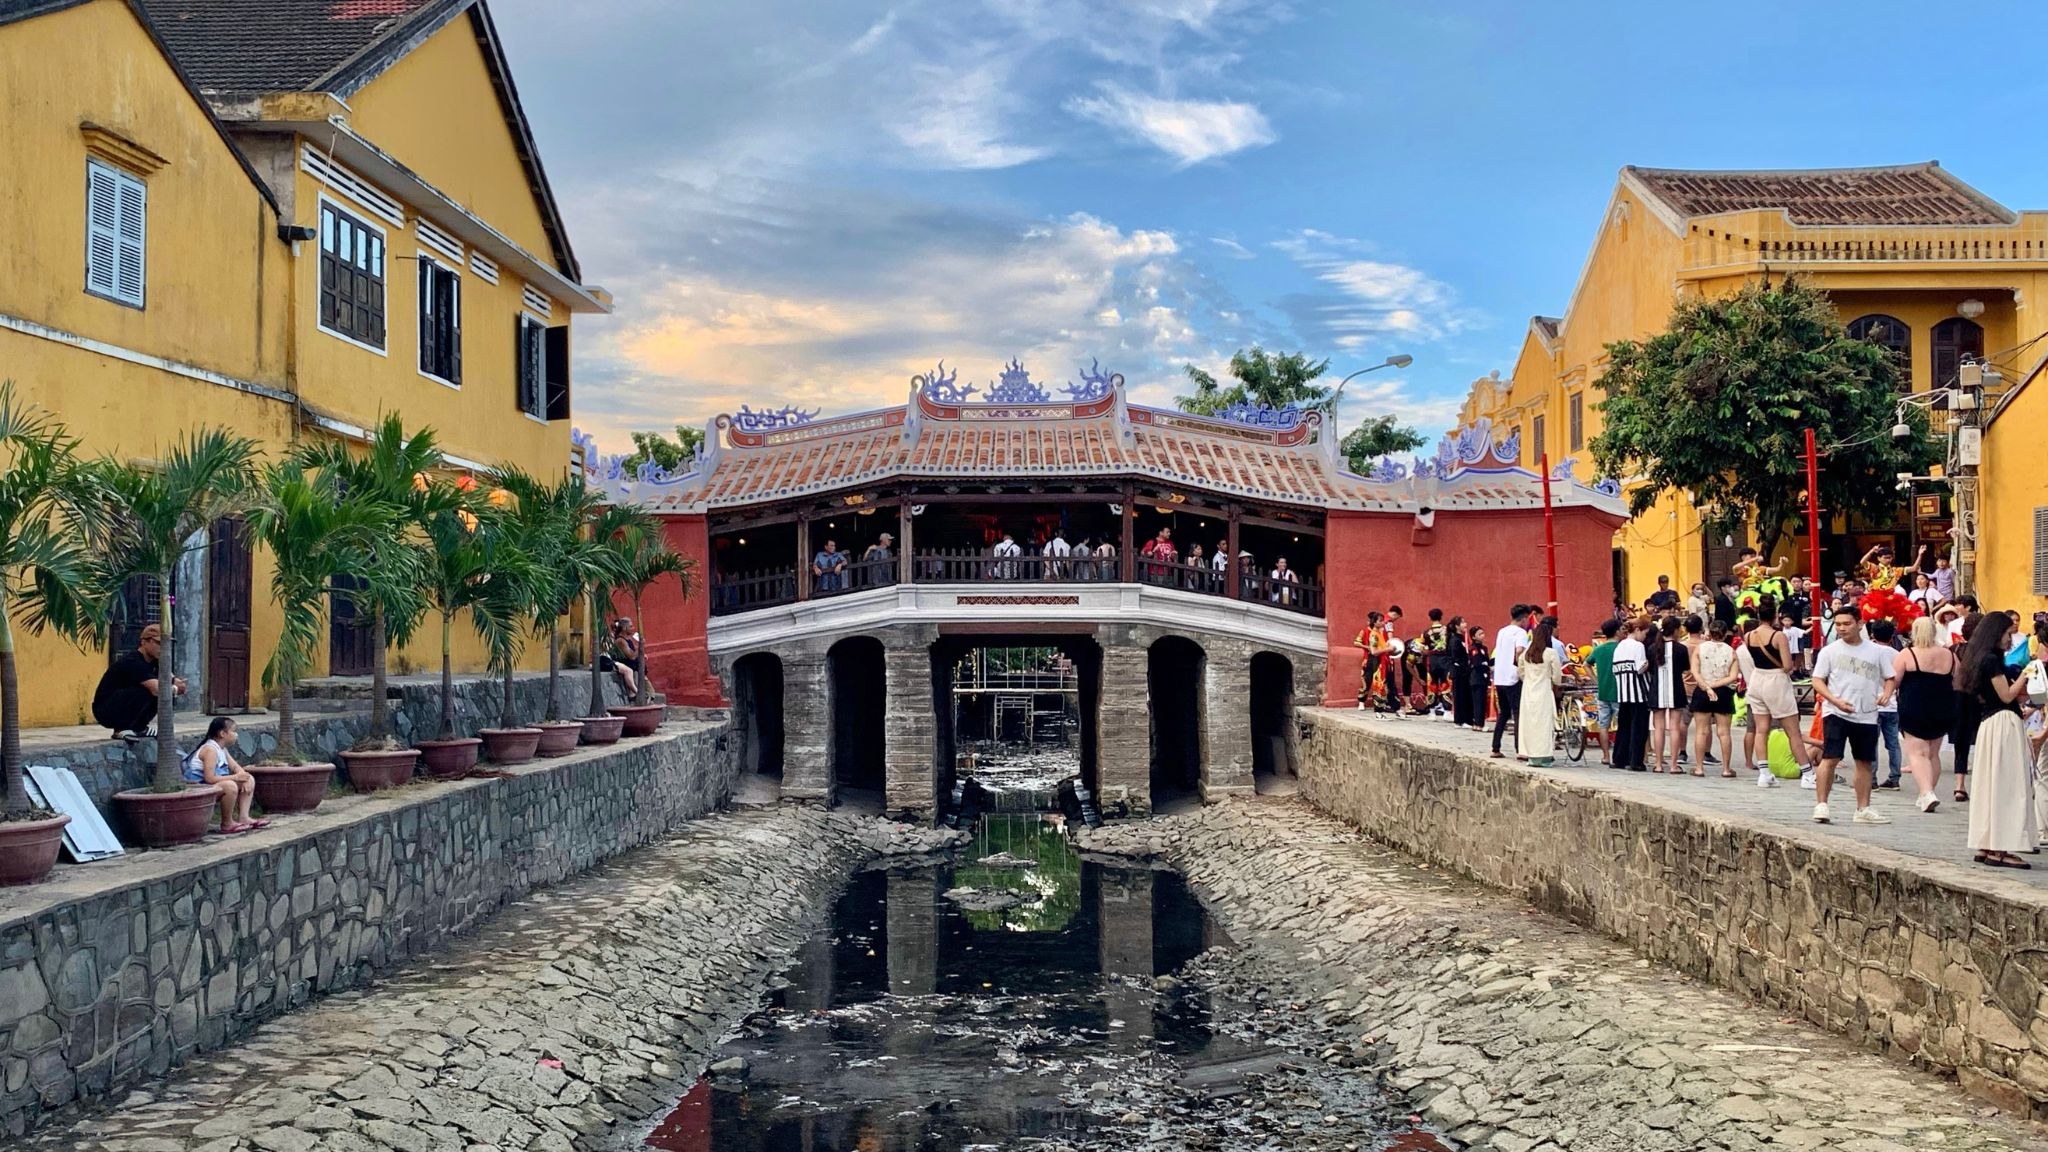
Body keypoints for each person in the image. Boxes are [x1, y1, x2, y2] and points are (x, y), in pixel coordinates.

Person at [1962, 611, 2038, 868]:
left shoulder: (1979, 658)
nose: (2009, 639)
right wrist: (2027, 674)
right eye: (2007, 634)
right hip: (2003, 722)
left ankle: (1987, 843)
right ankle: (2000, 846)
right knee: (2007, 785)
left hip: (1990, 723)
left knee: (1991, 784)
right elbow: (2006, 695)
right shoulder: (1992, 660)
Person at [1810, 607, 1896, 825]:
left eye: (1847, 624)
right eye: (1838, 624)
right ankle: (1822, 804)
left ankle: (1863, 808)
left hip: (1866, 713)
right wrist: (1834, 700)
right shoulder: (1829, 651)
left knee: (1864, 761)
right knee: (1830, 757)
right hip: (1836, 711)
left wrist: (1886, 694)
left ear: (1859, 624)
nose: (1841, 628)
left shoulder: (1877, 651)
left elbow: (1890, 677)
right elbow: (1817, 680)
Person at [1739, 597, 1810, 789]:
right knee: (1793, 731)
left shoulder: (1748, 636)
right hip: (1776, 680)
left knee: (1761, 730)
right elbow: (1787, 665)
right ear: (1776, 616)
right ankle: (1807, 773)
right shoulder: (1778, 636)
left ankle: (1764, 773)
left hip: (1757, 679)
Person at [1892, 616, 1956, 814]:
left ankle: (1927, 792)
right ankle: (1927, 793)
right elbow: (1959, 679)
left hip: (1914, 706)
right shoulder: (1949, 655)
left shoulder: (1907, 653)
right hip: (1942, 706)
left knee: (1917, 753)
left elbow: (1894, 680)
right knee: (1933, 753)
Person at [92, 622, 185, 737]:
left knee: (159, 690)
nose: (163, 648)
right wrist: (175, 689)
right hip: (106, 710)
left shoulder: (156, 662)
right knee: (148, 691)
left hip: (122, 706)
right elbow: (157, 689)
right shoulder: (133, 661)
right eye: (159, 643)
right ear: (144, 642)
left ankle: (139, 727)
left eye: (166, 644)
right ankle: (121, 729)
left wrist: (176, 683)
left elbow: (173, 680)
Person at [184, 715, 264, 834]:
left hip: (212, 786)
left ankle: (244, 817)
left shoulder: (222, 750)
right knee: (230, 786)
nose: (236, 735)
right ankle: (227, 823)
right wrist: (236, 777)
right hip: (200, 789)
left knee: (249, 779)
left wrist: (244, 777)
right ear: (222, 734)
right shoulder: (210, 750)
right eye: (233, 731)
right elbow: (209, 778)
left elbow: (236, 768)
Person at [1691, 618, 1738, 777]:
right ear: (1725, 634)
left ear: (1709, 633)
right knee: (1724, 732)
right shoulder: (1731, 651)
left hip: (1702, 690)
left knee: (1701, 731)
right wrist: (1715, 685)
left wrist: (1707, 686)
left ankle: (1699, 768)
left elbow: (1695, 671)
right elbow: (1733, 676)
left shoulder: (1700, 649)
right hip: (1723, 692)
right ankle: (1726, 769)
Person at [1645, 617, 1690, 774]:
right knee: (1674, 727)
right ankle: (1673, 765)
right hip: (1676, 689)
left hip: (1656, 690)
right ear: (1676, 630)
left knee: (1658, 728)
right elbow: (1685, 668)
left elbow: (1650, 669)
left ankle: (1658, 764)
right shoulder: (1681, 649)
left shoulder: (1652, 648)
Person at [1518, 621, 1563, 767]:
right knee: (1543, 724)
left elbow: (1521, 673)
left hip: (1528, 691)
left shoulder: (1526, 653)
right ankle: (1544, 756)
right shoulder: (1551, 653)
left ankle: (1531, 755)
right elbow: (1557, 677)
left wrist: (1529, 679)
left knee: (1529, 723)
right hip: (1543, 691)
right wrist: (1553, 681)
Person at [1869, 620, 1906, 790]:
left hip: (1872, 703)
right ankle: (1895, 777)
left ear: (1873, 635)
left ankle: (1871, 779)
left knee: (1872, 743)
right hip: (1891, 704)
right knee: (1893, 744)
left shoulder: (1869, 652)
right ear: (1892, 636)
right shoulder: (1897, 654)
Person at [1612, 617, 1651, 771]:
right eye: (1645, 633)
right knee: (1639, 728)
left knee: (1624, 726)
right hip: (1639, 692)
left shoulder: (1619, 646)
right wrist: (1648, 664)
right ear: (1637, 630)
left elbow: (1615, 669)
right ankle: (1636, 761)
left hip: (1623, 691)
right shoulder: (1638, 646)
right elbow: (1640, 668)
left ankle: (1619, 759)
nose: (1645, 637)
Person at [1952, 611, 1984, 801]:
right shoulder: (1987, 653)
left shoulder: (1956, 649)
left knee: (1961, 743)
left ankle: (1959, 785)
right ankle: (1983, 784)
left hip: (1959, 698)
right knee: (1983, 740)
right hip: (1981, 698)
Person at [1491, 606, 1530, 757]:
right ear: (1524, 618)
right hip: (1513, 677)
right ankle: (1520, 749)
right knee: (1518, 713)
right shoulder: (1520, 633)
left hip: (1500, 677)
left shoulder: (1502, 631)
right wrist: (1521, 667)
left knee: (1504, 713)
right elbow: (1519, 650)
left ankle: (1495, 747)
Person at [1590, 619, 1621, 765]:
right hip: (1618, 691)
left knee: (1603, 726)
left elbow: (1586, 664)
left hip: (1603, 691)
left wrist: (1595, 680)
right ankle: (1619, 754)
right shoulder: (1620, 648)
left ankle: (1606, 756)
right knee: (1621, 724)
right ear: (1617, 631)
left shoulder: (1599, 649)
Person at [1357, 610, 1392, 712]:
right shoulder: (1367, 632)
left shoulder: (1381, 633)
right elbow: (1357, 642)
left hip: (1381, 659)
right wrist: (1367, 647)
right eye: (1380, 621)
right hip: (1369, 658)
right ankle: (1362, 701)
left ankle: (1380, 704)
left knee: (1381, 682)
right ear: (1374, 621)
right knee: (1366, 680)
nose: (1383, 622)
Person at [1420, 609, 1452, 717]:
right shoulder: (1447, 631)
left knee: (1432, 684)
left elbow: (1422, 648)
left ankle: (1432, 711)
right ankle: (1447, 711)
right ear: (1441, 616)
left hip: (1432, 660)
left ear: (1430, 618)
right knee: (1446, 683)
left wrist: (1428, 652)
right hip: (1445, 659)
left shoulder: (1426, 632)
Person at [602, 618, 643, 697]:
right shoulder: (621, 641)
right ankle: (636, 693)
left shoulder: (628, 639)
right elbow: (631, 656)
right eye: (631, 626)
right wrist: (640, 647)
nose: (633, 628)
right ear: (624, 628)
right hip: (624, 664)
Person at [1447, 616, 1475, 728]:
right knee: (1460, 696)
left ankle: (1467, 719)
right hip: (1459, 671)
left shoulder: (1463, 639)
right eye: (1462, 622)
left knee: (1466, 695)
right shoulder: (1455, 640)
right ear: (1456, 626)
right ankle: (1460, 720)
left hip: (1465, 671)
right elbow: (1456, 657)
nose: (1465, 624)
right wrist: (1464, 666)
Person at [1464, 626, 1493, 733]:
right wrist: (1486, 665)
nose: (1482, 636)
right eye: (1479, 634)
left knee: (1481, 701)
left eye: (1483, 633)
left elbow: (1487, 661)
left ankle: (1478, 723)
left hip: (1483, 678)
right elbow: (1477, 663)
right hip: (1477, 677)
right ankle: (1479, 724)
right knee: (1478, 702)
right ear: (1473, 637)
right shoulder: (1473, 649)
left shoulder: (1484, 648)